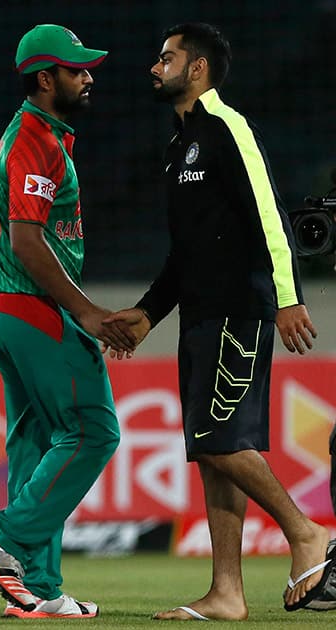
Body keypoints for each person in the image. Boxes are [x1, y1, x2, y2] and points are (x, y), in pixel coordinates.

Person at [103, 22, 332, 620]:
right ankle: (227, 593)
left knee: (217, 439)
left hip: (241, 312)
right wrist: (149, 313)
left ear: (196, 68)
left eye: (166, 58)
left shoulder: (228, 128)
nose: (155, 67)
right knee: (211, 451)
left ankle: (307, 534)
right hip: (200, 317)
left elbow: (269, 213)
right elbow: (187, 251)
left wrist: (287, 297)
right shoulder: (179, 147)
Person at [0, 24, 134, 620]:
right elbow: (27, 240)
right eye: (77, 69)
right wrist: (85, 311)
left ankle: (39, 588)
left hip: (5, 309)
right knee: (93, 430)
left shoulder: (41, 135)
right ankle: (3, 537)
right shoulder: (35, 139)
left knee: (36, 443)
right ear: (44, 78)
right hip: (35, 307)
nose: (88, 78)